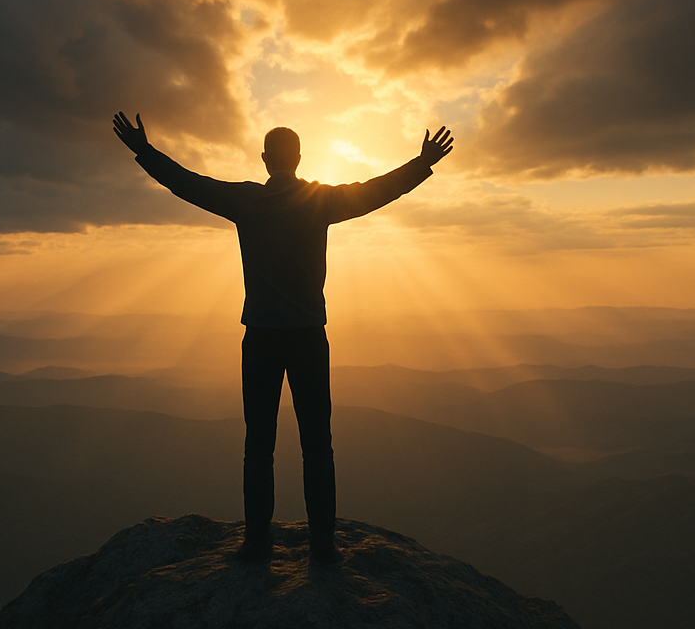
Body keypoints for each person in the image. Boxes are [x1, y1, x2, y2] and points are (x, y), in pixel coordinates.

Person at [112, 112, 453, 565]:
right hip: (309, 336)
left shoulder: (246, 201)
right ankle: (323, 545)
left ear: (265, 159)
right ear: (298, 158)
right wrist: (421, 163)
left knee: (258, 445)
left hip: (261, 338)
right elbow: (376, 191)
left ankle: (257, 542)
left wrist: (144, 150)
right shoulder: (320, 201)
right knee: (318, 445)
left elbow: (187, 183)